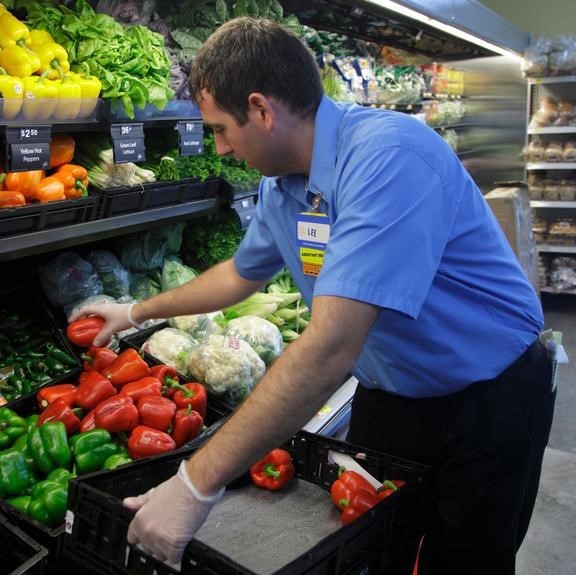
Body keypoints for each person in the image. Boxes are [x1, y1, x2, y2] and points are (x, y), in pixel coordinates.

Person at [71, 16, 556, 574]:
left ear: (261, 109)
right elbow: (240, 274)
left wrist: (194, 485)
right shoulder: (284, 186)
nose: (221, 149)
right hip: (391, 393)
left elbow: (329, 348)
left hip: (485, 397)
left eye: (222, 129)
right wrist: (134, 311)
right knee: (379, 548)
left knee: (466, 560)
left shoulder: (387, 158)